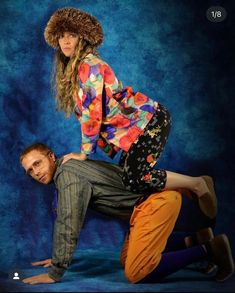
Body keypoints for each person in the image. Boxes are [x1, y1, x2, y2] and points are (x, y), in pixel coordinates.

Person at [43, 7, 218, 220]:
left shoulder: (89, 66)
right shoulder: (80, 67)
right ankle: (188, 202)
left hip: (150, 122)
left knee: (136, 178)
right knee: (129, 181)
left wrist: (83, 153)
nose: (65, 41)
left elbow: (93, 113)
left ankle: (197, 184)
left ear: (84, 38)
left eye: (71, 35)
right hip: (137, 129)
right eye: (61, 36)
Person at [19, 143, 234, 285]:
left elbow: (69, 221)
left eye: (37, 164)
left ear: (50, 156)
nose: (35, 172)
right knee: (126, 260)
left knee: (137, 270)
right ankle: (196, 239)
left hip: (155, 203)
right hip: (144, 208)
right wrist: (58, 256)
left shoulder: (68, 175)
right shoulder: (69, 167)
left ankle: (211, 249)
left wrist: (55, 271)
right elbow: (67, 214)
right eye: (30, 170)